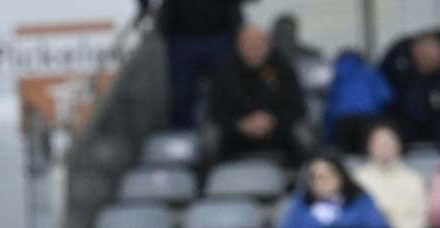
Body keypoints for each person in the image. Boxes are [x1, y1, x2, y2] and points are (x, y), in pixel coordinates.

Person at [206, 23, 308, 164]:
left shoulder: (284, 69)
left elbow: (298, 108)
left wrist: (272, 120)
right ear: (238, 46)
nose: (254, 48)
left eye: (259, 43)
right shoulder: (224, 71)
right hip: (236, 134)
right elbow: (215, 112)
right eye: (248, 43)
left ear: (269, 45)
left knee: (301, 136)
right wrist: (241, 124)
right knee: (212, 141)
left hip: (278, 131)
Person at [350, 121, 429, 228]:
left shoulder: (415, 180)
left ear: (398, 145)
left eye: (389, 142)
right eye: (379, 143)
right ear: (369, 146)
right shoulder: (356, 180)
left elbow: (422, 218)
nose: (384, 147)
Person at [379, 29, 440, 149]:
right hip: (404, 121)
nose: (425, 61)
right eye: (422, 55)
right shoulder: (398, 61)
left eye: (430, 58)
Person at [155, 0, 241, 130]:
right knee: (180, 99)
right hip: (182, 39)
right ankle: (182, 141)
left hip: (220, 36)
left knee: (226, 95)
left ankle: (227, 139)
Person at [321, 49, 395, 155]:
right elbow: (387, 96)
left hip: (344, 120)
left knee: (347, 156)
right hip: (368, 118)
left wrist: (328, 138)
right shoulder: (370, 72)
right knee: (368, 154)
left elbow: (331, 106)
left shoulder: (336, 75)